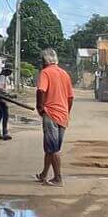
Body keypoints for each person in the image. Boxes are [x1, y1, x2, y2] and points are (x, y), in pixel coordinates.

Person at [34, 48, 73, 185]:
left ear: (45, 60)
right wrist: (66, 112)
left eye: (41, 60)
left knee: (53, 148)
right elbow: (70, 97)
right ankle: (43, 175)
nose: (40, 63)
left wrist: (40, 107)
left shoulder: (45, 73)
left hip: (50, 114)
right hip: (63, 115)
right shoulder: (64, 74)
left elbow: (41, 90)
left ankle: (58, 178)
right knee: (51, 148)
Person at [0, 62, 13, 141]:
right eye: (10, 71)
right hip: (0, 98)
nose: (10, 73)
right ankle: (5, 133)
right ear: (6, 70)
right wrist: (7, 93)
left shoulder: (2, 76)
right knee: (5, 114)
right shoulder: (2, 77)